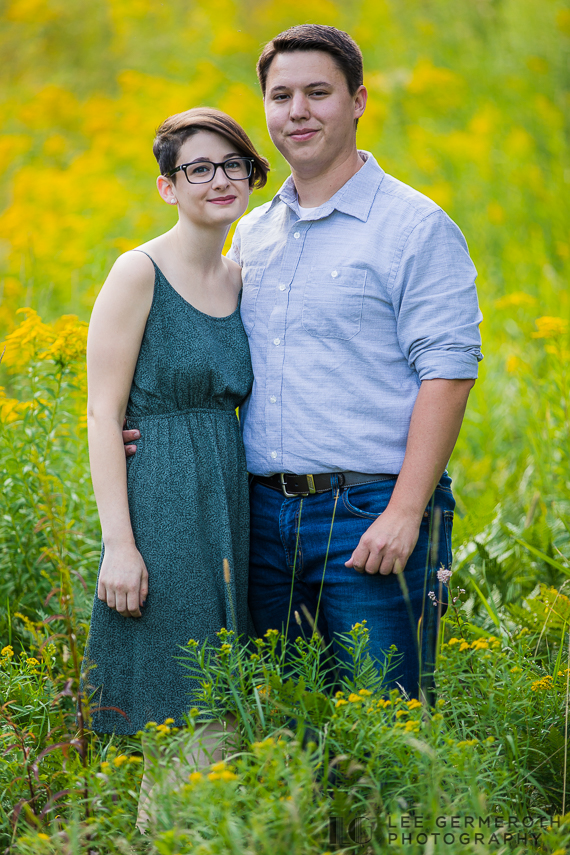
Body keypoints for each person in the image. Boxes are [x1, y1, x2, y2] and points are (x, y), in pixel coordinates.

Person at [125, 26, 483, 702]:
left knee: (386, 723)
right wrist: (151, 424)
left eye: (319, 92)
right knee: (283, 727)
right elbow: (212, 355)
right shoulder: (256, 232)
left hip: (371, 511)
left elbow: (450, 370)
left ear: (358, 101)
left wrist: (406, 512)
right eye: (281, 95)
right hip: (260, 517)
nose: (299, 111)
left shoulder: (413, 226)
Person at [83, 108, 269, 780]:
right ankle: (176, 826)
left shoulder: (241, 275)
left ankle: (197, 822)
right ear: (168, 187)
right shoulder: (139, 272)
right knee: (185, 698)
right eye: (199, 168)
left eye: (233, 165)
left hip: (227, 496)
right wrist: (119, 543)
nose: (220, 180)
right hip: (161, 502)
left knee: (225, 689)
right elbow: (103, 413)